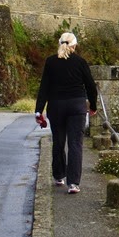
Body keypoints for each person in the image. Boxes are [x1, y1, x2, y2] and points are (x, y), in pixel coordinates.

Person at [35, 32, 98, 194]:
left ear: (60, 43)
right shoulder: (80, 62)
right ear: (74, 46)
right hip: (77, 106)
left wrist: (38, 110)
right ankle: (73, 183)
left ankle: (58, 176)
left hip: (56, 106)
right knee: (75, 143)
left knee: (58, 141)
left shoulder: (50, 62)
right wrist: (93, 105)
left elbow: (44, 87)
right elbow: (91, 86)